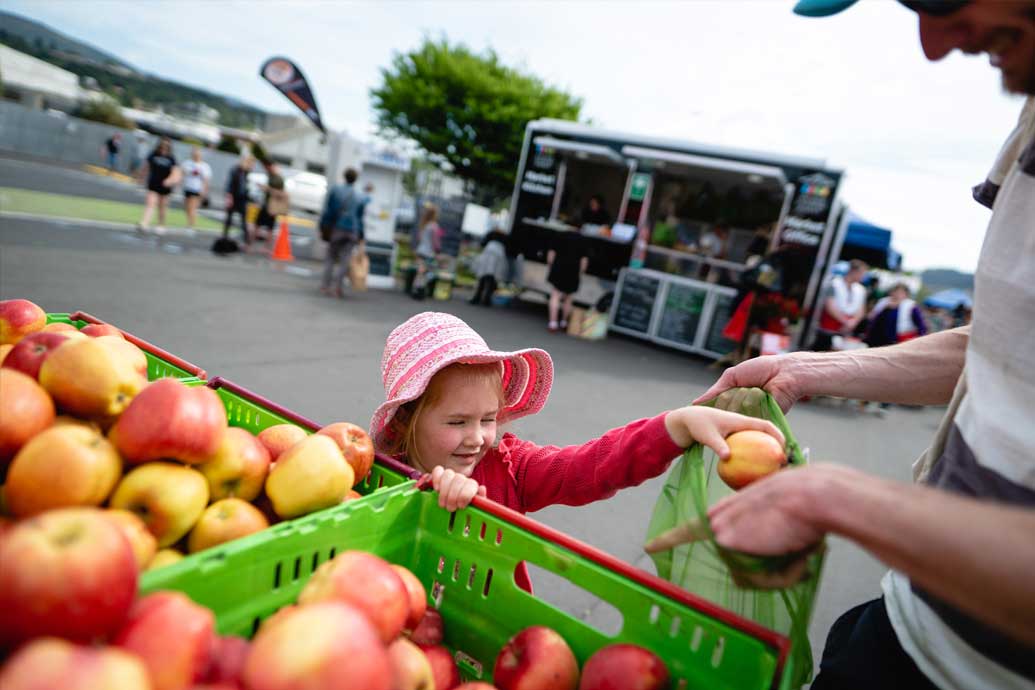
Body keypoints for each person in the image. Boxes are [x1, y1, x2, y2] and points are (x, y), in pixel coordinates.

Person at [690, 2, 1035, 688]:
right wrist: (806, 368)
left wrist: (837, 499)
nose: (932, 44)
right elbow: (1003, 345)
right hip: (907, 624)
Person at [370, 311, 784, 589]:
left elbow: (587, 467)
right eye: (457, 422)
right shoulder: (376, 484)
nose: (478, 437)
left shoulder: (510, 467)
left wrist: (673, 427)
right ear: (406, 421)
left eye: (489, 418)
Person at [319, 167, 362, 298]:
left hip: (338, 228)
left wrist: (323, 226)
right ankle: (338, 287)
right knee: (345, 259)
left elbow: (329, 210)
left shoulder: (336, 190)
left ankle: (325, 286)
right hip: (352, 230)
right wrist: (361, 235)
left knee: (331, 257)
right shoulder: (359, 195)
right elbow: (360, 217)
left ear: (345, 176)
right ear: (355, 179)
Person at [812, 259, 868, 351]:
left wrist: (852, 323)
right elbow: (830, 306)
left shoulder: (861, 290)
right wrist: (846, 321)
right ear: (853, 271)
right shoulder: (834, 284)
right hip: (829, 327)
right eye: (861, 273)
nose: (863, 276)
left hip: (846, 330)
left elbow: (861, 310)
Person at [136, 138, 180, 235]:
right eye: (162, 144)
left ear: (169, 146)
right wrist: (141, 177)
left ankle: (161, 225)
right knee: (150, 204)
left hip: (165, 186)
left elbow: (176, 172)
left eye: (166, 145)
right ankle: (144, 223)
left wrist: (170, 180)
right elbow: (146, 167)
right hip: (153, 184)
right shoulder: (153, 154)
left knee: (162, 207)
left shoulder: (171, 158)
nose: (164, 146)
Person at [546, 230, 589, 332]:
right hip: (573, 271)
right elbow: (584, 260)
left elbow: (551, 254)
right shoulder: (583, 239)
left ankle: (553, 323)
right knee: (569, 298)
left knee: (555, 296)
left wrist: (551, 266)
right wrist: (580, 273)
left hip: (558, 268)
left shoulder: (560, 235)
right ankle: (564, 322)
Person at [863, 283, 928, 348]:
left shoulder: (911, 306)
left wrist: (919, 341)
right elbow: (872, 318)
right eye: (895, 291)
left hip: (899, 340)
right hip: (877, 338)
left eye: (900, 293)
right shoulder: (883, 302)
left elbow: (921, 325)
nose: (897, 294)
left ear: (906, 294)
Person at [411, 203, 444, 300]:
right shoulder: (434, 226)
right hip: (429, 252)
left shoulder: (424, 224)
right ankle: (421, 290)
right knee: (429, 272)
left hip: (421, 250)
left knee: (420, 272)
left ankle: (415, 290)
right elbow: (435, 241)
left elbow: (419, 238)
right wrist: (438, 252)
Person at [254, 160, 289, 250]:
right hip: (267, 204)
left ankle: (266, 247)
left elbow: (281, 193)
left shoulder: (278, 179)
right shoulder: (271, 176)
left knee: (268, 227)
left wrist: (267, 189)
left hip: (272, 206)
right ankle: (255, 245)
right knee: (260, 225)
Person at [469, 229, 508, 306]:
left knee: (482, 281)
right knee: (491, 282)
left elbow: (483, 244)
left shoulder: (490, 240)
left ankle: (477, 298)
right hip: (495, 264)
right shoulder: (501, 244)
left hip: (486, 263)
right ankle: (486, 300)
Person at [222, 155, 254, 247]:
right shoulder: (235, 170)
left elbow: (246, 186)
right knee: (229, 218)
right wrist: (229, 196)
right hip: (234, 197)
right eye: (249, 163)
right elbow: (229, 184)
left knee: (244, 220)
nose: (251, 165)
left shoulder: (247, 172)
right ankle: (225, 237)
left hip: (242, 198)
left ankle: (246, 241)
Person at [180, 147, 211, 231]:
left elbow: (206, 180)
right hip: (187, 187)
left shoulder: (204, 166)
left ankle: (191, 225)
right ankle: (189, 222)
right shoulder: (187, 163)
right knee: (186, 207)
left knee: (192, 207)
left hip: (197, 189)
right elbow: (182, 173)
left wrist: (204, 190)